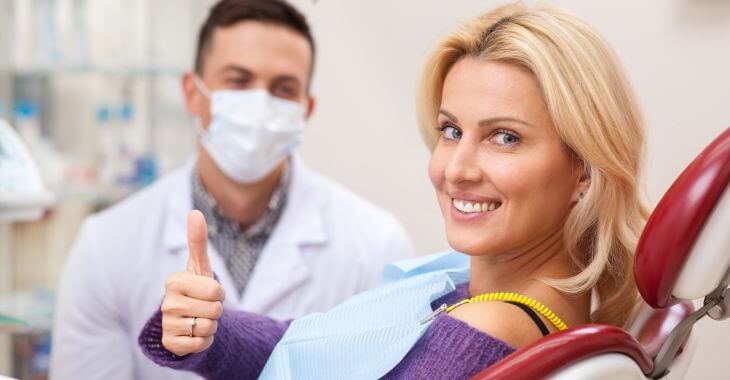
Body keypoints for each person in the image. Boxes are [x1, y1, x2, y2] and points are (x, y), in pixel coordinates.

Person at [138, 3, 649, 379]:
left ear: (584, 169)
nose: (457, 169)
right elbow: (313, 347)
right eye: (451, 131)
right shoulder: (476, 295)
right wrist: (209, 330)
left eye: (505, 137)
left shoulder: (478, 335)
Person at [50, 1, 414, 378]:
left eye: (283, 88)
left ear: (306, 109)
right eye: (238, 81)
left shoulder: (375, 245)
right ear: (193, 92)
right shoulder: (106, 245)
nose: (260, 103)